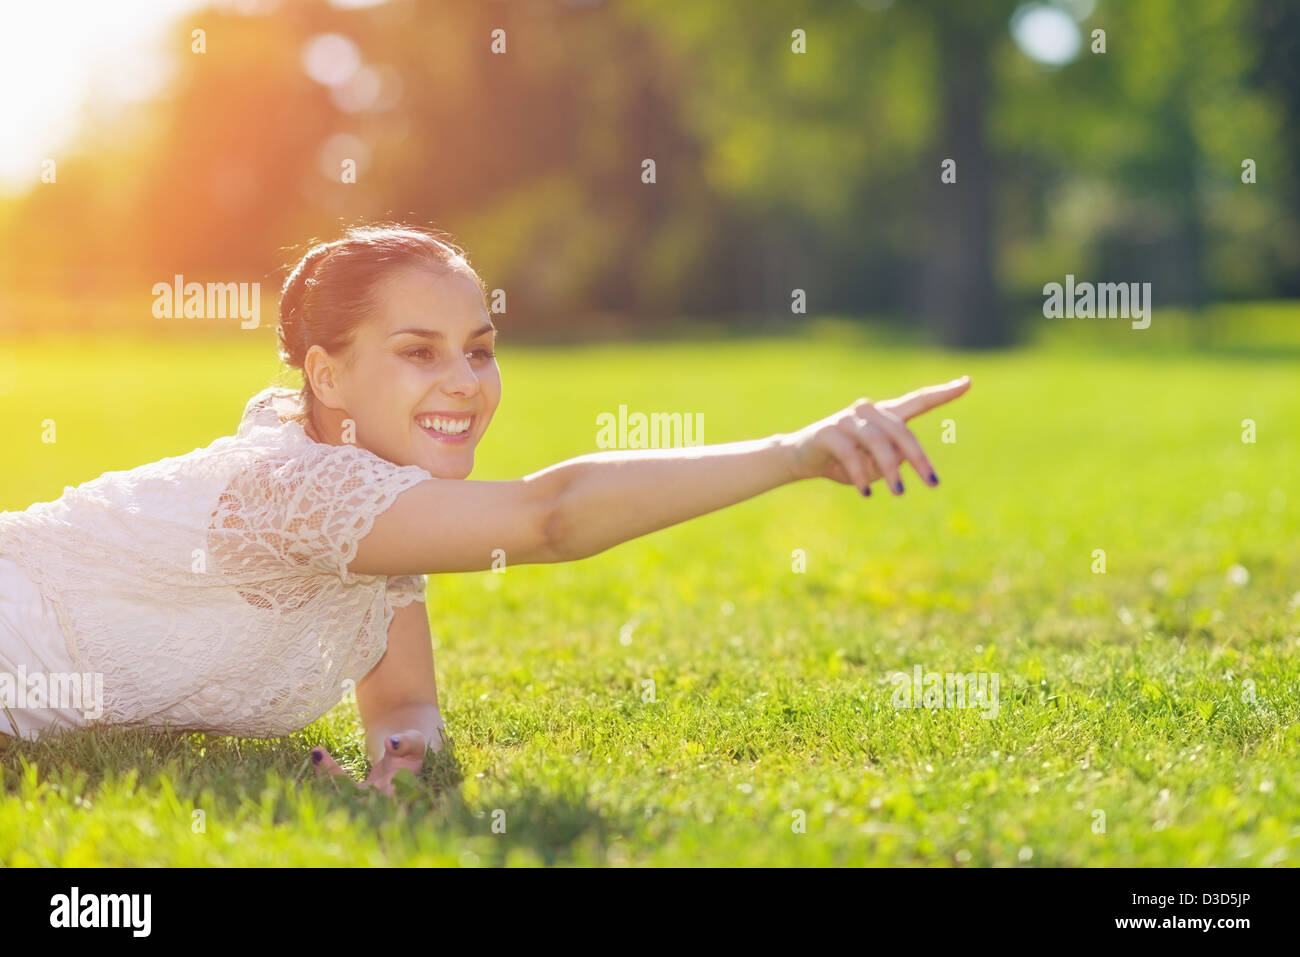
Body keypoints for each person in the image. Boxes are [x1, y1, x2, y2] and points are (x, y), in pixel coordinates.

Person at [0, 223, 971, 795]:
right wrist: (792, 455)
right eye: (418, 351)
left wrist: (400, 763)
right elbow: (552, 519)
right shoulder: (304, 484)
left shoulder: (369, 492)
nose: (464, 382)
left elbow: (403, 701)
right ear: (327, 376)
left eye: (479, 347)